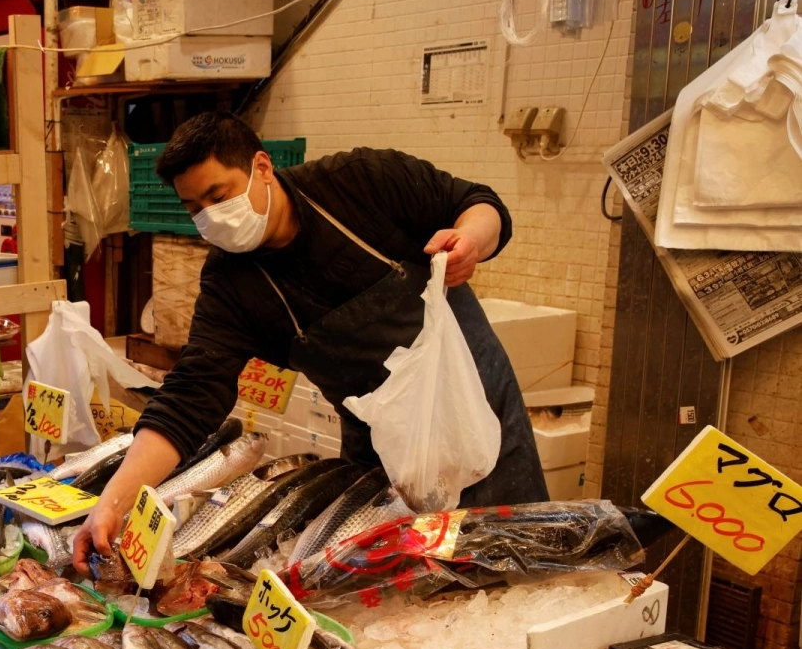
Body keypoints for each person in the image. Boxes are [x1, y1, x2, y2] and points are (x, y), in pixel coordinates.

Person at [74, 112, 545, 572]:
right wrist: (114, 502)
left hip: (474, 410)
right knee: (406, 578)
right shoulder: (230, 284)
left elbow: (481, 204)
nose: (211, 218)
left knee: (513, 560)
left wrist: (469, 240)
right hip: (380, 443)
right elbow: (191, 396)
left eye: (218, 195)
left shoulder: (360, 181)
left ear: (262, 167)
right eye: (195, 208)